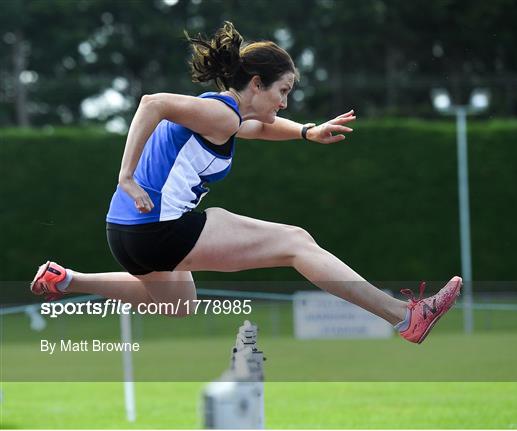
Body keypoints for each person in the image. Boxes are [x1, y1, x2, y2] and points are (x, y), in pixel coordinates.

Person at [31, 22, 461, 344]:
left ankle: (67, 279)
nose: (285, 101)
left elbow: (259, 127)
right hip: (157, 228)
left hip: (126, 234)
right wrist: (125, 175)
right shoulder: (221, 115)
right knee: (296, 241)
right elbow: (152, 103)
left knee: (180, 304)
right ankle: (405, 316)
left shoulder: (223, 115)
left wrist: (307, 132)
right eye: (282, 90)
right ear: (256, 84)